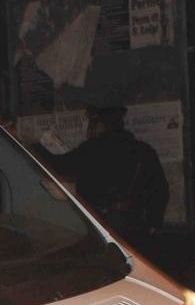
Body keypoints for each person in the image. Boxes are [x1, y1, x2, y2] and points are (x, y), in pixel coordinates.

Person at [41, 105, 168, 253]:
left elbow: (59, 166)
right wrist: (154, 223)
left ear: (99, 126)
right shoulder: (144, 151)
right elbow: (160, 190)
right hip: (135, 225)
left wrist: (34, 146)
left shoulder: (91, 150)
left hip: (100, 225)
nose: (88, 131)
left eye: (90, 125)